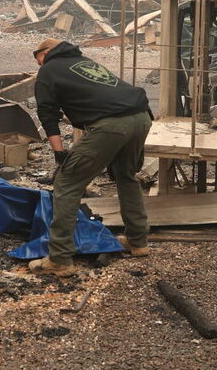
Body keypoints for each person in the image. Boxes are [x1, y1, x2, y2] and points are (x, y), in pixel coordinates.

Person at [27, 38, 153, 276]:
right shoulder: (83, 62)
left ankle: (60, 258)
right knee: (126, 175)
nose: (38, 63)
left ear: (46, 53)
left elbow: (47, 113)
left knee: (67, 182)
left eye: (38, 57)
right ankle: (138, 242)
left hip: (111, 125)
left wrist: (59, 153)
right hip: (141, 116)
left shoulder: (49, 70)